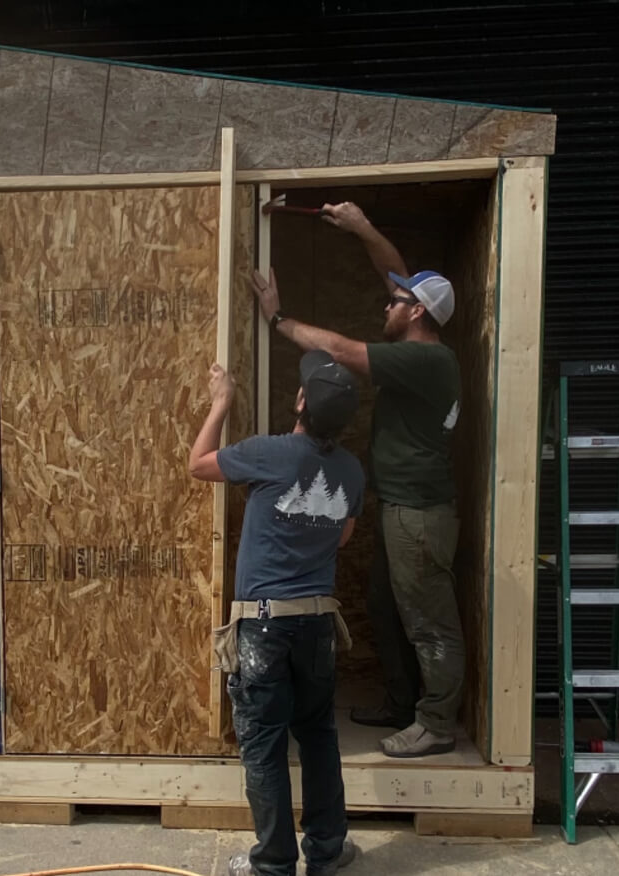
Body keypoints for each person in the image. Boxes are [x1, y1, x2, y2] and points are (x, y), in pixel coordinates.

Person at [247, 200, 464, 759]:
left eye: (396, 300)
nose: (384, 302)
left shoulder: (424, 362)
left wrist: (277, 319)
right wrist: (364, 228)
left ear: (416, 314)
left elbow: (341, 351)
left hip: (419, 512)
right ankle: (401, 702)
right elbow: (394, 271)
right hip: (402, 506)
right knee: (386, 606)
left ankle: (436, 721)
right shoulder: (415, 340)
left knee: (427, 620)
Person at [189, 351, 364, 876]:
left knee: (264, 743)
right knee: (317, 734)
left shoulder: (270, 454)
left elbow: (198, 463)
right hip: (317, 624)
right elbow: (343, 537)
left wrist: (222, 401)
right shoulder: (352, 471)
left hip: (264, 627)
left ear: (300, 401)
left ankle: (273, 865)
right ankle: (327, 852)